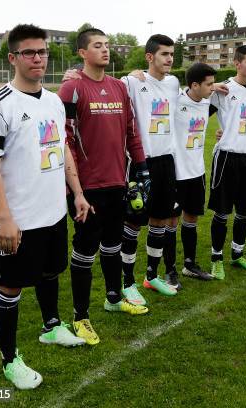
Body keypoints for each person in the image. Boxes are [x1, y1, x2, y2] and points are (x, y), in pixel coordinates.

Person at [0, 24, 90, 389]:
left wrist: (77, 192)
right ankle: (9, 360)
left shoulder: (54, 101)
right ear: (13, 58)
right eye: (29, 52)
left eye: (42, 51)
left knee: (50, 272)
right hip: (18, 219)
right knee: (10, 287)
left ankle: (51, 327)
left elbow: (64, 149)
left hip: (53, 211)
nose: (38, 57)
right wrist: (5, 219)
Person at [58, 28, 149, 346]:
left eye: (107, 45)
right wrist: (76, 188)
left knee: (113, 243)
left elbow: (132, 131)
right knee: (85, 249)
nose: (105, 50)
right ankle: (80, 317)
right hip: (86, 187)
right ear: (82, 52)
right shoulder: (71, 88)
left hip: (117, 181)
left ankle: (113, 298)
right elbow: (64, 141)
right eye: (98, 46)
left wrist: (141, 167)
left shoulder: (118, 88)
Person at [119, 34, 182, 296]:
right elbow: (105, 87)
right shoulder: (132, 82)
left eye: (171, 54)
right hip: (140, 162)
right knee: (133, 222)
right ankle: (127, 283)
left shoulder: (174, 83)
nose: (169, 58)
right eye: (164, 54)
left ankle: (151, 276)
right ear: (149, 57)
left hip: (167, 161)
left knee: (161, 219)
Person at [208, 45, 246, 279]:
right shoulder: (222, 89)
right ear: (237, 64)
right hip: (227, 157)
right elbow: (197, 115)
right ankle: (216, 259)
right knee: (222, 212)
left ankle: (237, 254)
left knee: (244, 211)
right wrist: (218, 133)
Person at [172, 62, 217, 280]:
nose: (213, 87)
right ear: (195, 85)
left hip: (197, 172)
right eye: (209, 84)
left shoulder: (208, 103)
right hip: (176, 173)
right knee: (170, 221)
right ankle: (169, 270)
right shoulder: (175, 101)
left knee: (191, 219)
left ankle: (189, 264)